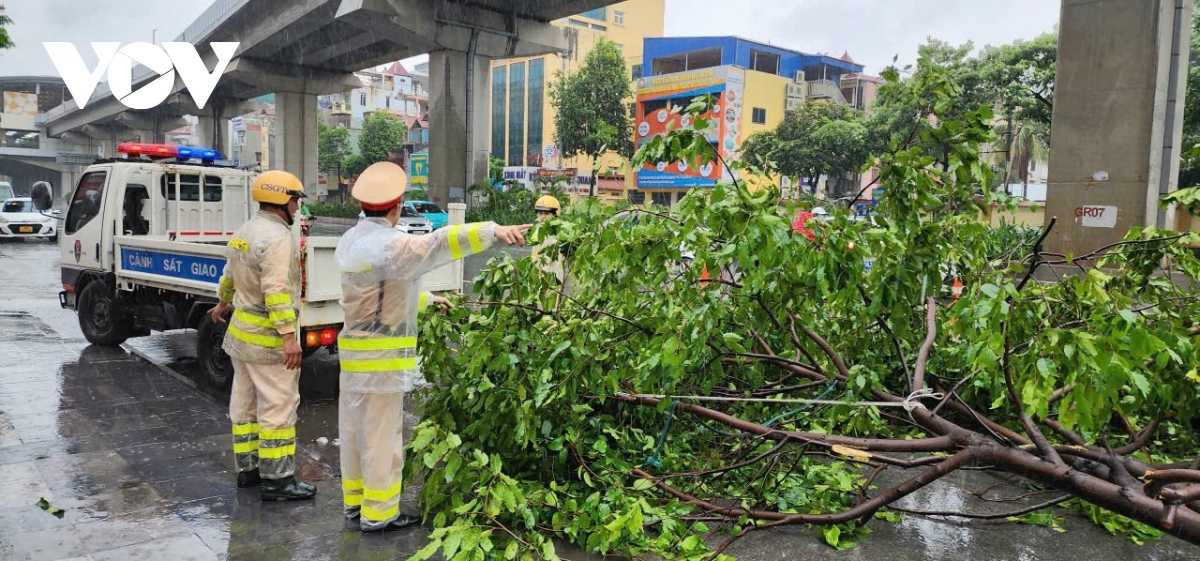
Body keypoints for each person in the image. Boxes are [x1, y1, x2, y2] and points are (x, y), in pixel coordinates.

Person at [335, 162, 530, 532]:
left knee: (355, 433)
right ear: (395, 207)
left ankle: (355, 503)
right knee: (381, 439)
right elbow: (440, 241)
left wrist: (425, 299)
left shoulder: (353, 242)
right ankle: (379, 515)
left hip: (354, 357)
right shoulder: (395, 245)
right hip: (381, 363)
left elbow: (379, 291)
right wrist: (493, 230)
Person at [209, 170, 316, 502]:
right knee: (278, 407)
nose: (298, 207)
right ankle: (279, 479)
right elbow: (276, 292)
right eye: (296, 200)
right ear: (282, 200)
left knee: (244, 406)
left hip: (241, 337)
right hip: (267, 341)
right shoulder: (278, 238)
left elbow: (229, 274)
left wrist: (223, 302)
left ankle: (249, 471)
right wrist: (288, 336)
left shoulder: (246, 230)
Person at [531, 195, 564, 283]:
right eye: (540, 213)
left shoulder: (556, 233)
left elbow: (552, 262)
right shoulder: (537, 229)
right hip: (536, 274)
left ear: (555, 214)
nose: (542, 216)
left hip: (551, 276)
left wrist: (543, 278)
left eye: (546, 213)